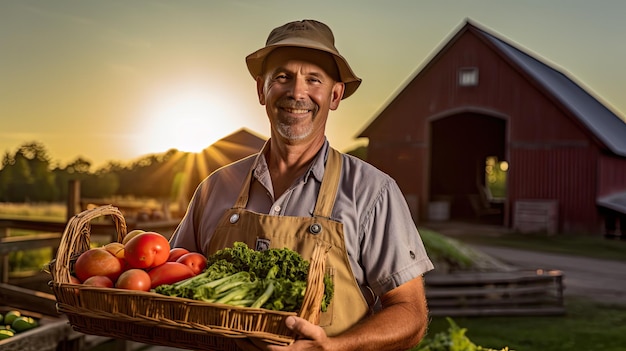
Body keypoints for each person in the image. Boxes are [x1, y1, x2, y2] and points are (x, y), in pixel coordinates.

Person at [169, 19, 434, 351]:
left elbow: (410, 314)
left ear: (335, 95)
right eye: (283, 77)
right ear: (261, 89)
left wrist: (335, 346)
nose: (297, 92)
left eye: (314, 79)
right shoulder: (214, 188)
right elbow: (168, 281)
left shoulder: (372, 192)